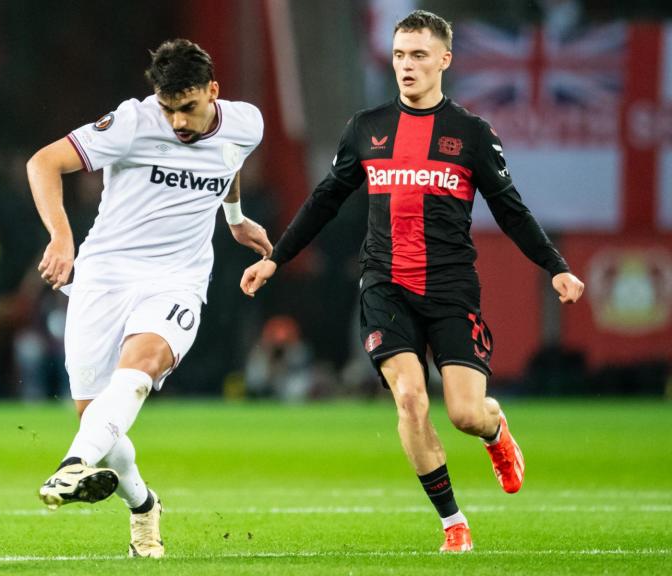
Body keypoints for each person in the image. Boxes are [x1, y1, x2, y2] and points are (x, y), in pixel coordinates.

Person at [241, 10, 585, 553]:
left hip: (450, 290)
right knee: (409, 398)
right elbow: (324, 200)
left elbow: (511, 211)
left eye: (419, 55)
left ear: (444, 60)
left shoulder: (471, 135)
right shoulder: (366, 128)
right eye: (400, 55)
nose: (407, 65)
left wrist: (556, 267)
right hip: (385, 286)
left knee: (467, 412)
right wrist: (277, 259)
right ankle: (453, 523)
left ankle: (496, 432)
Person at [26, 39, 270, 558]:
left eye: (188, 108)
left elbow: (229, 159)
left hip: (177, 279)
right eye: (168, 109)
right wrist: (62, 237)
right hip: (104, 277)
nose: (178, 122)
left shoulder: (247, 122)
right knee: (97, 417)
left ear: (213, 92)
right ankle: (143, 506)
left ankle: (71, 465)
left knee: (139, 368)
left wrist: (234, 218)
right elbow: (43, 163)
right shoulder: (133, 124)